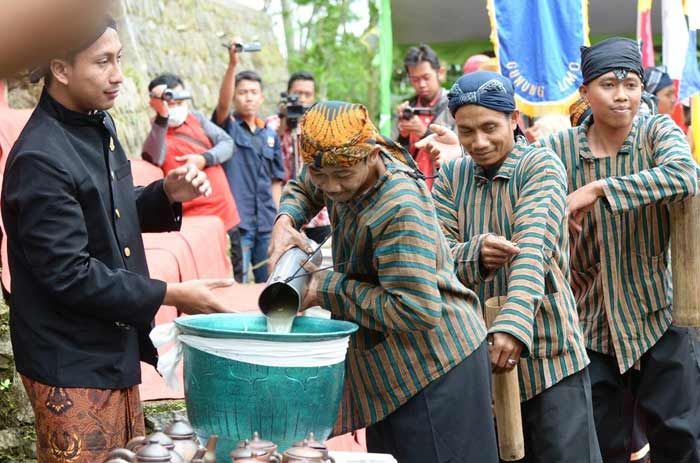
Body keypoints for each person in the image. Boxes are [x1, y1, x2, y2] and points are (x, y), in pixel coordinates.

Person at [1, 18, 235, 463]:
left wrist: (165, 193)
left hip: (110, 348)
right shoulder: (39, 157)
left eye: (120, 59)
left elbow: (105, 206)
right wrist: (171, 293)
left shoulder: (97, 125)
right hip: (70, 361)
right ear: (61, 69)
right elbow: (69, 274)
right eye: (103, 61)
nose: (118, 75)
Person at [269, 101, 498, 463]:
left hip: (436, 367)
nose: (331, 187)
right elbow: (306, 183)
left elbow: (417, 309)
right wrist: (287, 219)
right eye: (321, 173)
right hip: (391, 364)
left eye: (342, 175)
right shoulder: (337, 159)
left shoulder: (398, 207)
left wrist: (323, 288)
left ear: (371, 154)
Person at [536, 38, 700, 463]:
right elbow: (526, 192)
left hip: (657, 312)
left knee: (680, 437)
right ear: (585, 91)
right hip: (590, 321)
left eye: (631, 83)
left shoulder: (655, 131)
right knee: (599, 441)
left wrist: (598, 189)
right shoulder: (559, 149)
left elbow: (685, 176)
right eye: (609, 84)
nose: (622, 95)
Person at [429, 72, 600, 462]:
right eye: (466, 131)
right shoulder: (452, 176)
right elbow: (434, 256)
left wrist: (512, 324)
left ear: (513, 120)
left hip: (549, 354)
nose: (479, 142)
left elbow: (532, 250)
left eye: (490, 127)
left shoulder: (540, 166)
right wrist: (474, 253)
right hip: (476, 359)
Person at [142, 73, 243, 281]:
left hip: (225, 214)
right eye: (170, 99)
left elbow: (227, 144)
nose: (176, 104)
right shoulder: (157, 132)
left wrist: (204, 159)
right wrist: (161, 117)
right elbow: (152, 156)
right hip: (194, 227)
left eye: (180, 98)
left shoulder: (195, 118)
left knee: (236, 279)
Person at [214, 42, 284, 283]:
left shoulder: (270, 135)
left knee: (271, 284)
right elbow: (222, 107)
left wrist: (278, 217)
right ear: (234, 97)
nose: (248, 97)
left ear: (262, 97)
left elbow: (277, 180)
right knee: (238, 282)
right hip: (239, 223)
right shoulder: (228, 128)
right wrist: (232, 65)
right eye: (242, 92)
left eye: (253, 92)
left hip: (265, 222)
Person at [275, 71, 331, 244]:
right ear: (288, 94)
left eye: (308, 94)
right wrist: (284, 121)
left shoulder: (322, 125)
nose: (303, 99)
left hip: (319, 214)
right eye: (297, 94)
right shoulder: (272, 124)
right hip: (285, 211)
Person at [394, 44, 454, 189]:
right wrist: (402, 136)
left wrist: (424, 133)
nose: (421, 84)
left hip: (446, 188)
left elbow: (462, 151)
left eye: (426, 77)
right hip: (413, 190)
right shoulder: (407, 109)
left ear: (440, 72)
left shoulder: (454, 105)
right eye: (415, 79)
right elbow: (395, 159)